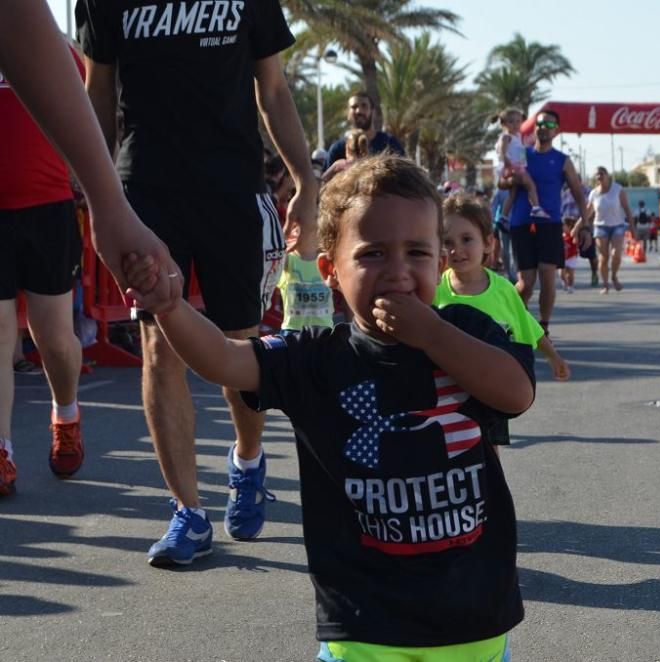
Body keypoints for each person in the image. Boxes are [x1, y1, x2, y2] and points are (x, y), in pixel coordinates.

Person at [124, 154, 533, 661]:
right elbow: (224, 362)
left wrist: (431, 334)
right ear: (330, 271)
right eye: (373, 254)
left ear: (440, 261)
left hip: (472, 617)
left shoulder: (468, 332)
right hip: (363, 621)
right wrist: (170, 307)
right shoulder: (315, 359)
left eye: (417, 253)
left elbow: (515, 393)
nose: (398, 272)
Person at [78, 0, 319, 565]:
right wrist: (98, 193)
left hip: (232, 187)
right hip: (146, 190)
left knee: (237, 341)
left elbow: (275, 91)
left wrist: (306, 180)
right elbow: (98, 92)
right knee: (159, 346)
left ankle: (248, 460)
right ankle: (187, 513)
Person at [0, 0, 181, 313]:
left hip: (48, 206)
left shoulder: (59, 55)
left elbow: (13, 14)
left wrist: (109, 204)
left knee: (55, 335)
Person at [0, 42, 88, 497]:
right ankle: (2, 451)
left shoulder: (51, 46)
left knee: (52, 337)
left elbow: (83, 119)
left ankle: (66, 413)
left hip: (48, 209)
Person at [435, 193, 570, 381]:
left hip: (495, 386)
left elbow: (528, 325)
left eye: (466, 239)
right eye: (447, 242)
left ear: (488, 243)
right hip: (450, 388)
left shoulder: (504, 290)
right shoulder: (434, 290)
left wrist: (552, 356)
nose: (456, 250)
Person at [508, 110, 589, 335]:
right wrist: (509, 179)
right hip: (522, 222)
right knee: (525, 283)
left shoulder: (563, 161)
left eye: (549, 124)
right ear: (535, 128)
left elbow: (580, 195)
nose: (543, 127)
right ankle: (516, 318)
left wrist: (586, 225)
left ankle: (543, 327)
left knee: (547, 275)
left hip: (550, 223)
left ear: (556, 130)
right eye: (539, 123)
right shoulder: (522, 154)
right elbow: (504, 182)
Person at [322, 91, 404, 176]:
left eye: (364, 106)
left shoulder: (390, 143)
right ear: (348, 114)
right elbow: (325, 185)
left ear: (373, 112)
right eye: (354, 107)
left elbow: (406, 179)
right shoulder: (337, 149)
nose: (359, 111)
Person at [493, 108, 548, 222]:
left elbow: (519, 152)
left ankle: (503, 216)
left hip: (516, 166)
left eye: (518, 121)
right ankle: (536, 207)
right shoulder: (507, 136)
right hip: (513, 167)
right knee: (531, 185)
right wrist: (506, 160)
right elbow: (502, 150)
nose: (515, 124)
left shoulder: (517, 137)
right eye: (511, 121)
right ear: (504, 124)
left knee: (512, 194)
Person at [587, 166, 635, 293]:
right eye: (597, 175)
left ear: (607, 175)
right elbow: (587, 213)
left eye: (602, 173)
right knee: (603, 257)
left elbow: (627, 209)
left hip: (617, 225)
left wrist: (632, 228)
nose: (599, 176)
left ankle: (614, 276)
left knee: (616, 254)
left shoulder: (618, 189)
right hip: (600, 226)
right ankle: (605, 284)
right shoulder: (593, 193)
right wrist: (576, 228)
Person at [562, 184, 597, 286]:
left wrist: (585, 224)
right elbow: (561, 211)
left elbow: (593, 209)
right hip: (569, 229)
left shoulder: (589, 192)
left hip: (585, 228)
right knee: (567, 253)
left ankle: (594, 272)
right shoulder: (565, 194)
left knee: (591, 254)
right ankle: (568, 278)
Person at [561, 217, 579, 293]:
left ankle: (570, 286)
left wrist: (575, 236)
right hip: (563, 257)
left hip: (572, 257)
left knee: (570, 274)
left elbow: (576, 242)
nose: (562, 227)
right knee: (562, 273)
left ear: (569, 226)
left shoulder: (572, 235)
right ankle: (565, 282)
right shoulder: (561, 235)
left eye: (564, 225)